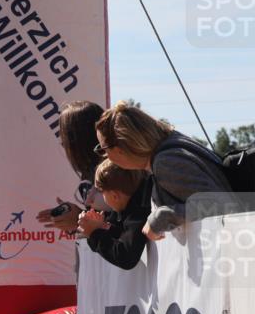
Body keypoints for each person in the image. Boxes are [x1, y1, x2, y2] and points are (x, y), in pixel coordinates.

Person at [95, 101, 234, 240]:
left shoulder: (166, 162)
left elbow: (220, 204)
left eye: (103, 149)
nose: (105, 156)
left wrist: (160, 219)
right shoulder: (171, 147)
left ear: (120, 148)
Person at [35, 101, 110, 233]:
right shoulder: (90, 170)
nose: (63, 143)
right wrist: (72, 219)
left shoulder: (111, 171)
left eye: (66, 137)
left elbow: (124, 224)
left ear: (80, 139)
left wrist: (79, 218)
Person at [77, 160, 152, 270]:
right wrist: (103, 228)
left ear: (114, 196)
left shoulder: (138, 211)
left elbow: (126, 257)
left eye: (102, 192)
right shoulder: (135, 203)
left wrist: (94, 233)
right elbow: (125, 235)